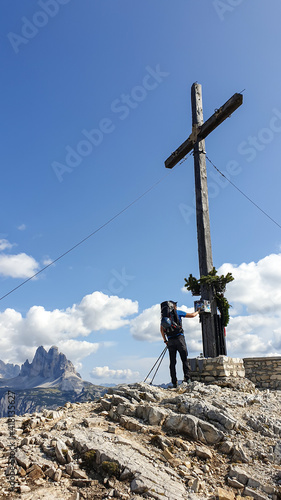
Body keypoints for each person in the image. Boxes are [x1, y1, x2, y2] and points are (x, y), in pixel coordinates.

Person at [160, 301, 200, 388]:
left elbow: (161, 330)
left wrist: (165, 341)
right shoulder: (177, 312)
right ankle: (188, 379)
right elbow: (192, 315)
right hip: (179, 339)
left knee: (172, 362)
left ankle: (174, 382)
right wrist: (198, 311)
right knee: (184, 359)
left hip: (170, 340)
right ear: (174, 306)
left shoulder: (164, 317)